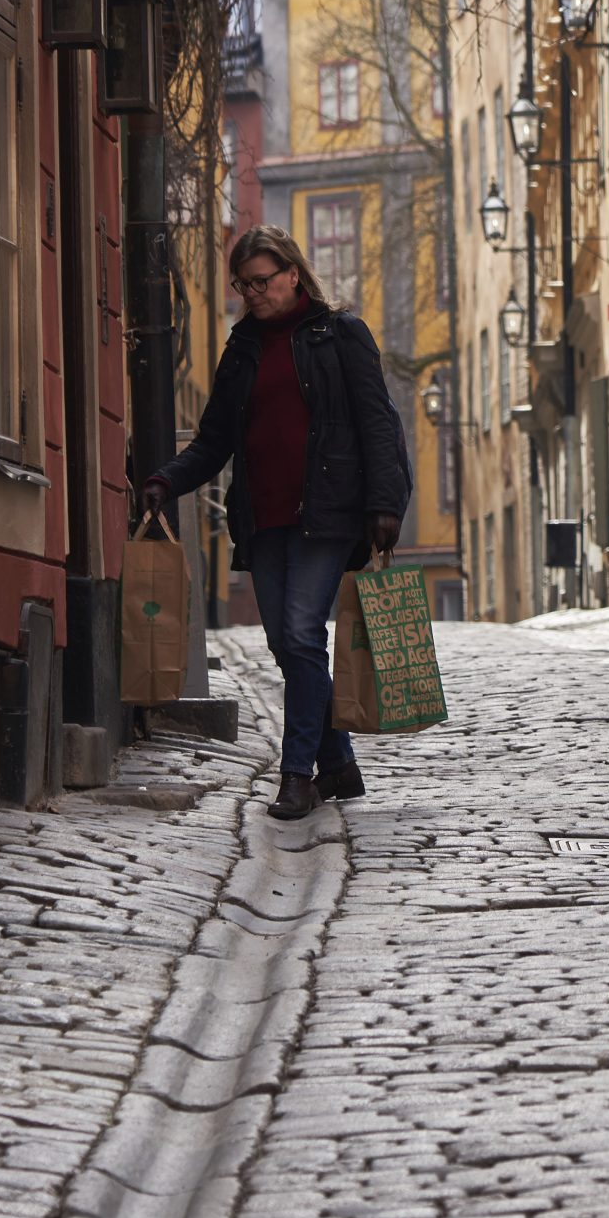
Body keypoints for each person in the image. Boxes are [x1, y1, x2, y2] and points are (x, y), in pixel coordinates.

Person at [141, 225, 412, 821]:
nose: (253, 293)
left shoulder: (341, 334)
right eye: (243, 284)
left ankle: (298, 777)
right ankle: (337, 761)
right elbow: (214, 441)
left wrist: (386, 505)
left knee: (297, 634)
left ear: (293, 273)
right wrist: (167, 480)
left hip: (328, 514)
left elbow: (377, 423)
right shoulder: (242, 350)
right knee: (286, 645)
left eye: (262, 281)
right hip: (262, 518)